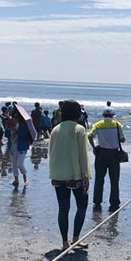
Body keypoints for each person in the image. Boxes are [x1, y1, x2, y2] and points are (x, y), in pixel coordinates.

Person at [48, 100, 91, 251]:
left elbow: (50, 153)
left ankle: (64, 242)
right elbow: (82, 155)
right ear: (78, 113)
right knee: (82, 206)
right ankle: (75, 239)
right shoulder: (80, 129)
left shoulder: (55, 129)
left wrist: (52, 172)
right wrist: (85, 175)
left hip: (58, 174)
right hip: (75, 175)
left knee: (63, 208)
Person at [88, 107, 125, 211]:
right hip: (114, 154)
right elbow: (122, 139)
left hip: (101, 153)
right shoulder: (117, 125)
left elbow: (90, 136)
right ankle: (114, 203)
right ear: (113, 115)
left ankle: (97, 201)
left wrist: (94, 147)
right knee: (114, 180)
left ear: (103, 115)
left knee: (99, 179)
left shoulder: (98, 124)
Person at [6, 106, 37, 186]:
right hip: (12, 146)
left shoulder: (24, 126)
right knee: (14, 164)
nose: (14, 118)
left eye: (16, 117)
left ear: (19, 118)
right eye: (13, 117)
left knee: (20, 164)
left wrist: (16, 131)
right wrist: (8, 128)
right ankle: (16, 180)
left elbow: (24, 136)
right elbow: (6, 135)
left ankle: (25, 176)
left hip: (22, 147)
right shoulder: (10, 124)